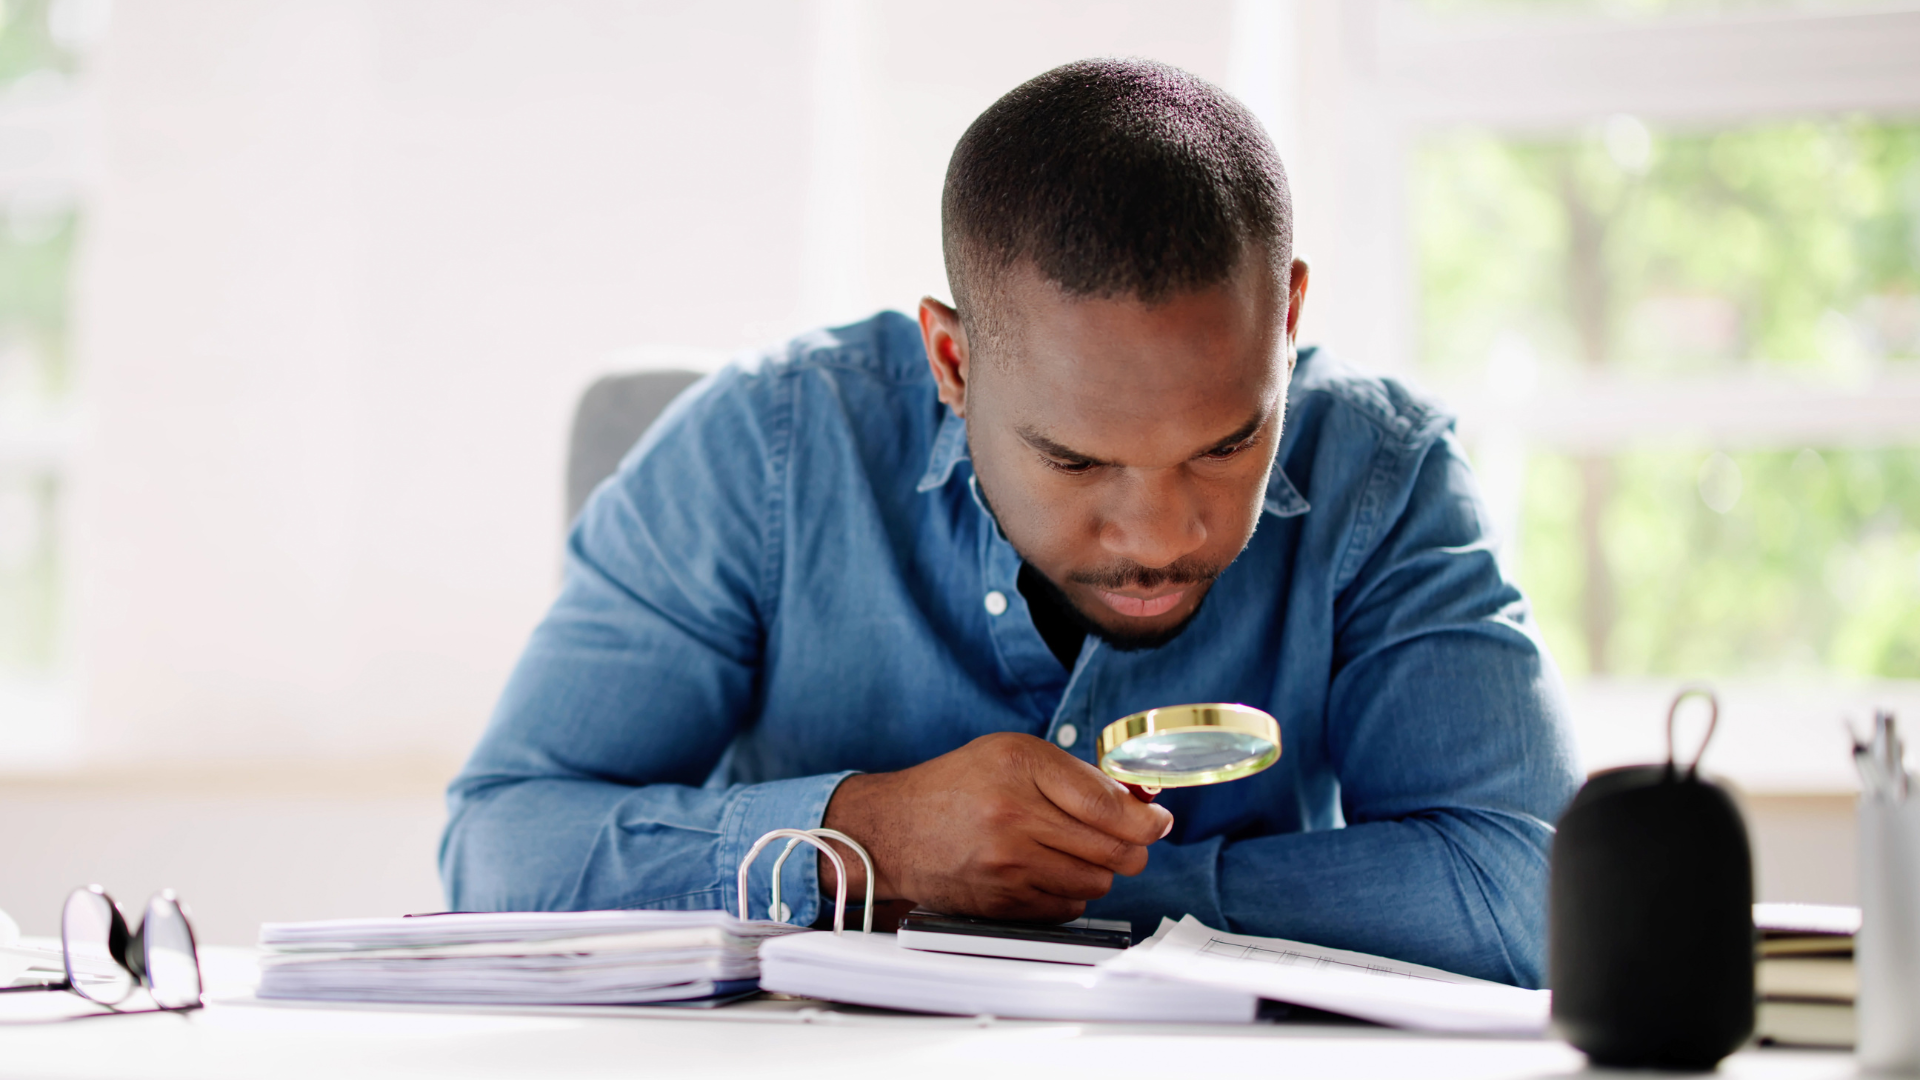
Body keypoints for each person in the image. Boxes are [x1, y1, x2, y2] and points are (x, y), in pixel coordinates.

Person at [440, 58, 1579, 988]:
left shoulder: (1385, 475)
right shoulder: (761, 449)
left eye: (1228, 444)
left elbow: (1530, 893)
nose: (1157, 535)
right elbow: (497, 850)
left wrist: (1062, 887)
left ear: (1286, 319)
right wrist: (871, 836)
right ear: (953, 359)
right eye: (1077, 459)